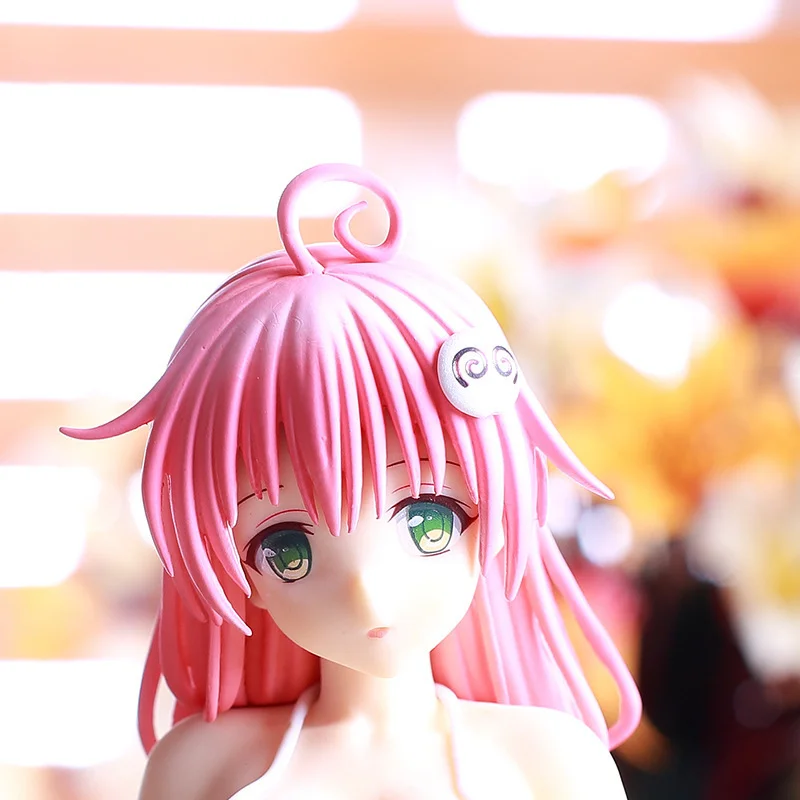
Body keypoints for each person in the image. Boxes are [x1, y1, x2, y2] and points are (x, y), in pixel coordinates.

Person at [62, 164, 640, 799]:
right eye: (287, 551)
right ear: (237, 572)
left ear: (495, 514)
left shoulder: (550, 763)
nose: (366, 589)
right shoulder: (203, 766)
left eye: (428, 522)